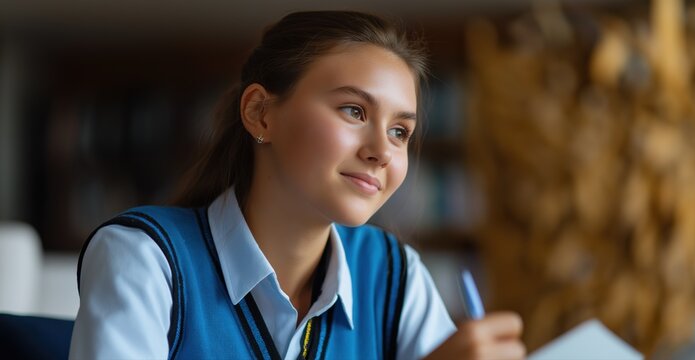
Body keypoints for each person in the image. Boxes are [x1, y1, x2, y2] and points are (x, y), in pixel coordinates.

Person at [69, 10, 525, 360]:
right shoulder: (145, 259)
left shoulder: (395, 276)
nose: (382, 152)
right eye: (354, 111)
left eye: (399, 132)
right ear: (260, 113)